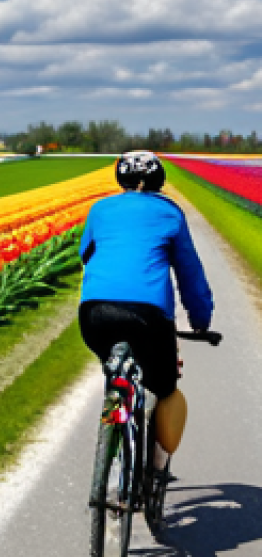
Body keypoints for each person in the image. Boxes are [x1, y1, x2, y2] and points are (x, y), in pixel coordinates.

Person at [79, 150, 213, 474]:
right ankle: (155, 466)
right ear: (159, 180)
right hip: (148, 316)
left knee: (115, 371)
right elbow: (189, 273)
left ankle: (114, 434)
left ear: (120, 179)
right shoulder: (170, 213)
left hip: (94, 313)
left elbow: (86, 254)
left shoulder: (100, 209)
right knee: (164, 387)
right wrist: (200, 320)